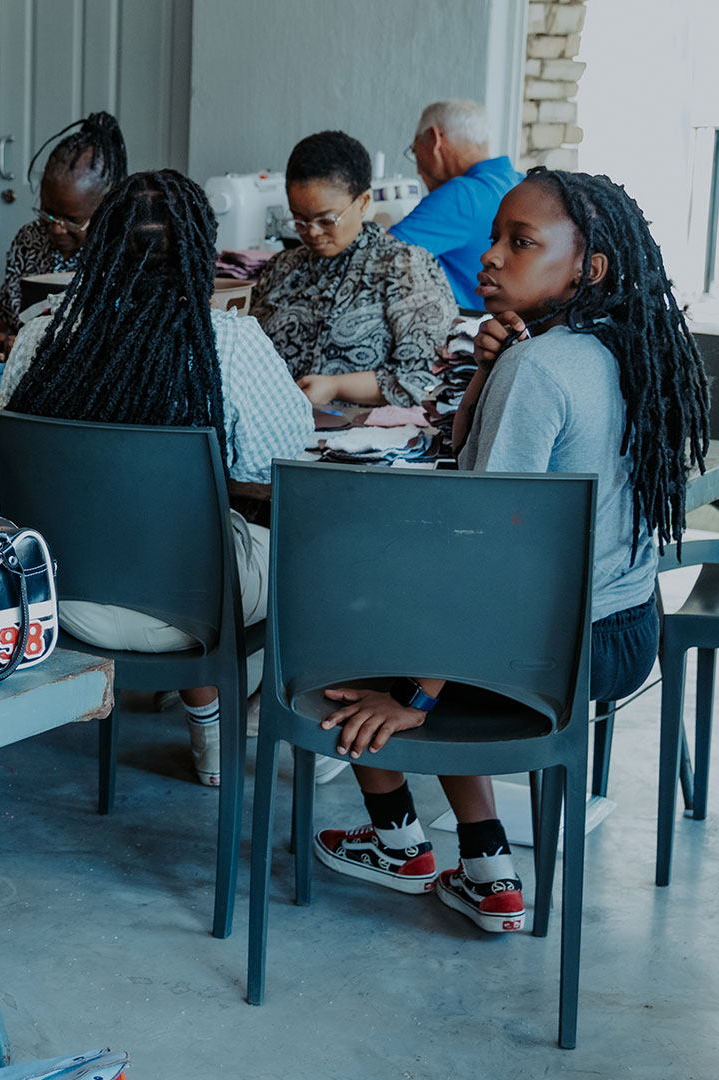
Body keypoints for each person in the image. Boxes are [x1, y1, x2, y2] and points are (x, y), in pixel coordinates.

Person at [314, 169, 708, 934]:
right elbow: (478, 462)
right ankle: (486, 866)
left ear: (586, 267)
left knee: (343, 628)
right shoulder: (618, 350)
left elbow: (480, 561)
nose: (491, 257)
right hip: (622, 638)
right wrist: (489, 370)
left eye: (520, 242)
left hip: (536, 658)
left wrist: (417, 698)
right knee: (419, 618)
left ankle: (399, 841)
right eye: (496, 237)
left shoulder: (540, 368)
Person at [0, 171, 311, 787]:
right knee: (299, 556)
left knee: (180, 540)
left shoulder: (42, 338)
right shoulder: (230, 343)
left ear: (100, 246)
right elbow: (278, 461)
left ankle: (201, 709)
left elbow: (13, 457)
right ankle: (265, 736)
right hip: (190, 603)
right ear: (203, 251)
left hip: (57, 596)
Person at [249, 131, 458, 407]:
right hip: (274, 428)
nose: (311, 232)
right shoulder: (282, 268)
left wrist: (337, 387)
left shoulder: (403, 268)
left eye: (326, 220)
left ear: (363, 202)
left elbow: (426, 377)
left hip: (360, 439)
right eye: (299, 220)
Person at [0, 111, 128, 364]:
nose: (56, 228)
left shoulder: (121, 254)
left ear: (106, 207)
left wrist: (28, 345)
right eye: (48, 212)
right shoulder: (29, 238)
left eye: (72, 220)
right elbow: (4, 306)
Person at [389, 100, 524, 310]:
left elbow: (376, 257)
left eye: (415, 151)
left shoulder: (461, 194)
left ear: (434, 139)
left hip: (470, 331)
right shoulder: (521, 182)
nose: (417, 170)